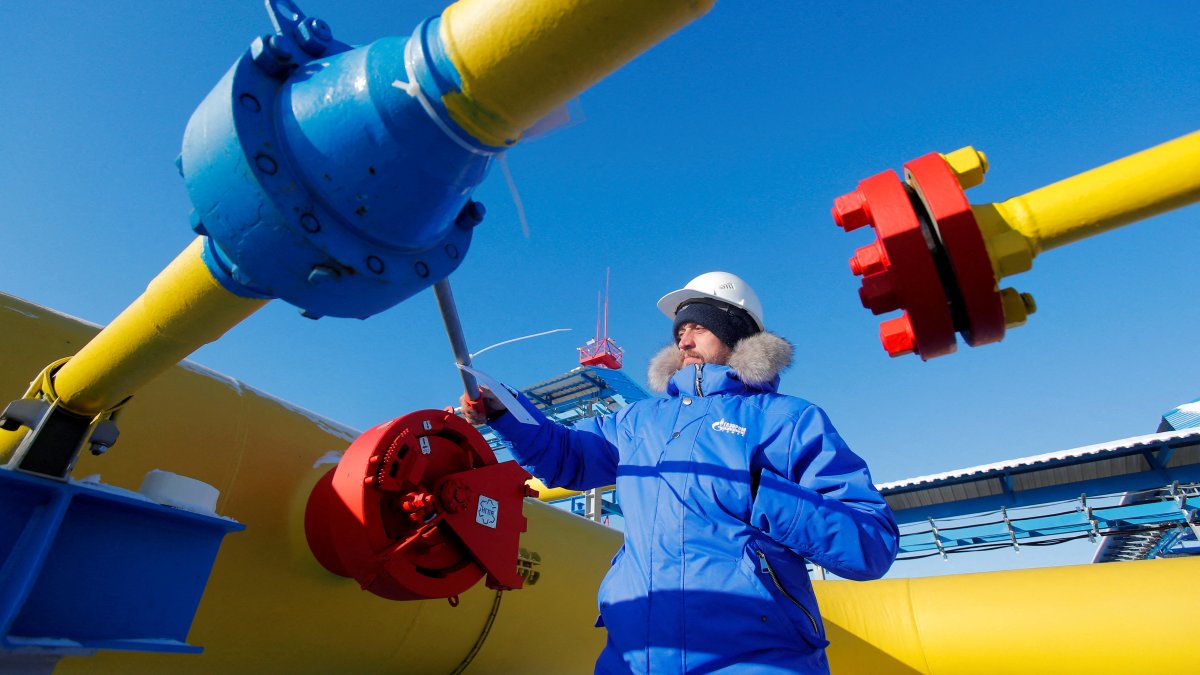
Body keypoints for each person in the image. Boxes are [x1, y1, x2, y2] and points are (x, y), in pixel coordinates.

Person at [461, 271, 898, 674]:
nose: (684, 343)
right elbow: (567, 457)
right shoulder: (637, 421)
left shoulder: (789, 419)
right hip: (632, 655)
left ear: (738, 334)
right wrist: (509, 412)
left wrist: (757, 493)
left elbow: (870, 543)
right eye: (680, 332)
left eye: (699, 328)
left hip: (757, 657)